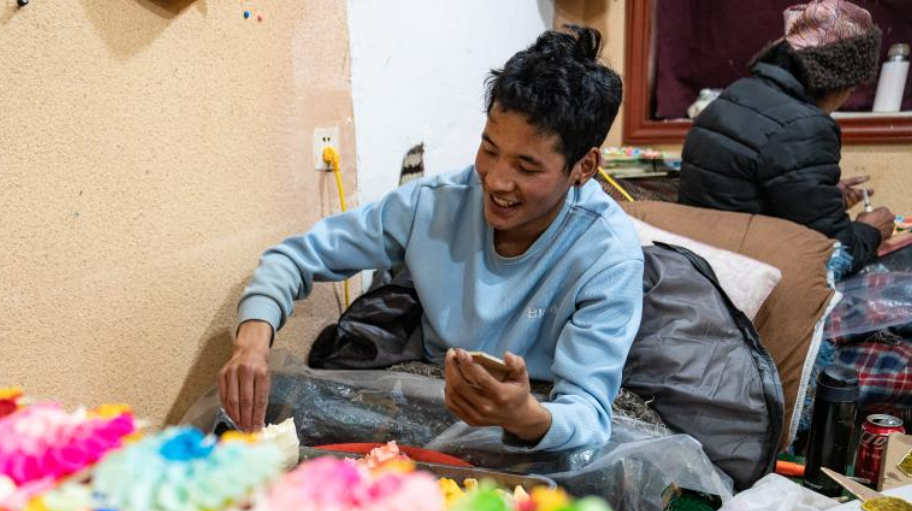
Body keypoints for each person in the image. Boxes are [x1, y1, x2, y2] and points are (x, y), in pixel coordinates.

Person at [218, 25, 644, 454]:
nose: (496, 180)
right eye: (489, 149)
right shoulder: (436, 204)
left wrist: (523, 415)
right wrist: (253, 337)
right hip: (433, 389)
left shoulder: (607, 255)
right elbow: (294, 258)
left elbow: (588, 411)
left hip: (539, 411)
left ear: (584, 167)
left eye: (527, 167)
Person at [678, 0, 897, 276]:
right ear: (837, 79)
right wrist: (872, 229)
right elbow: (833, 254)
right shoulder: (806, 127)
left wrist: (823, 193)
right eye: (852, 86)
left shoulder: (737, 93)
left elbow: (748, 191)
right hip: (749, 282)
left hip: (699, 263)